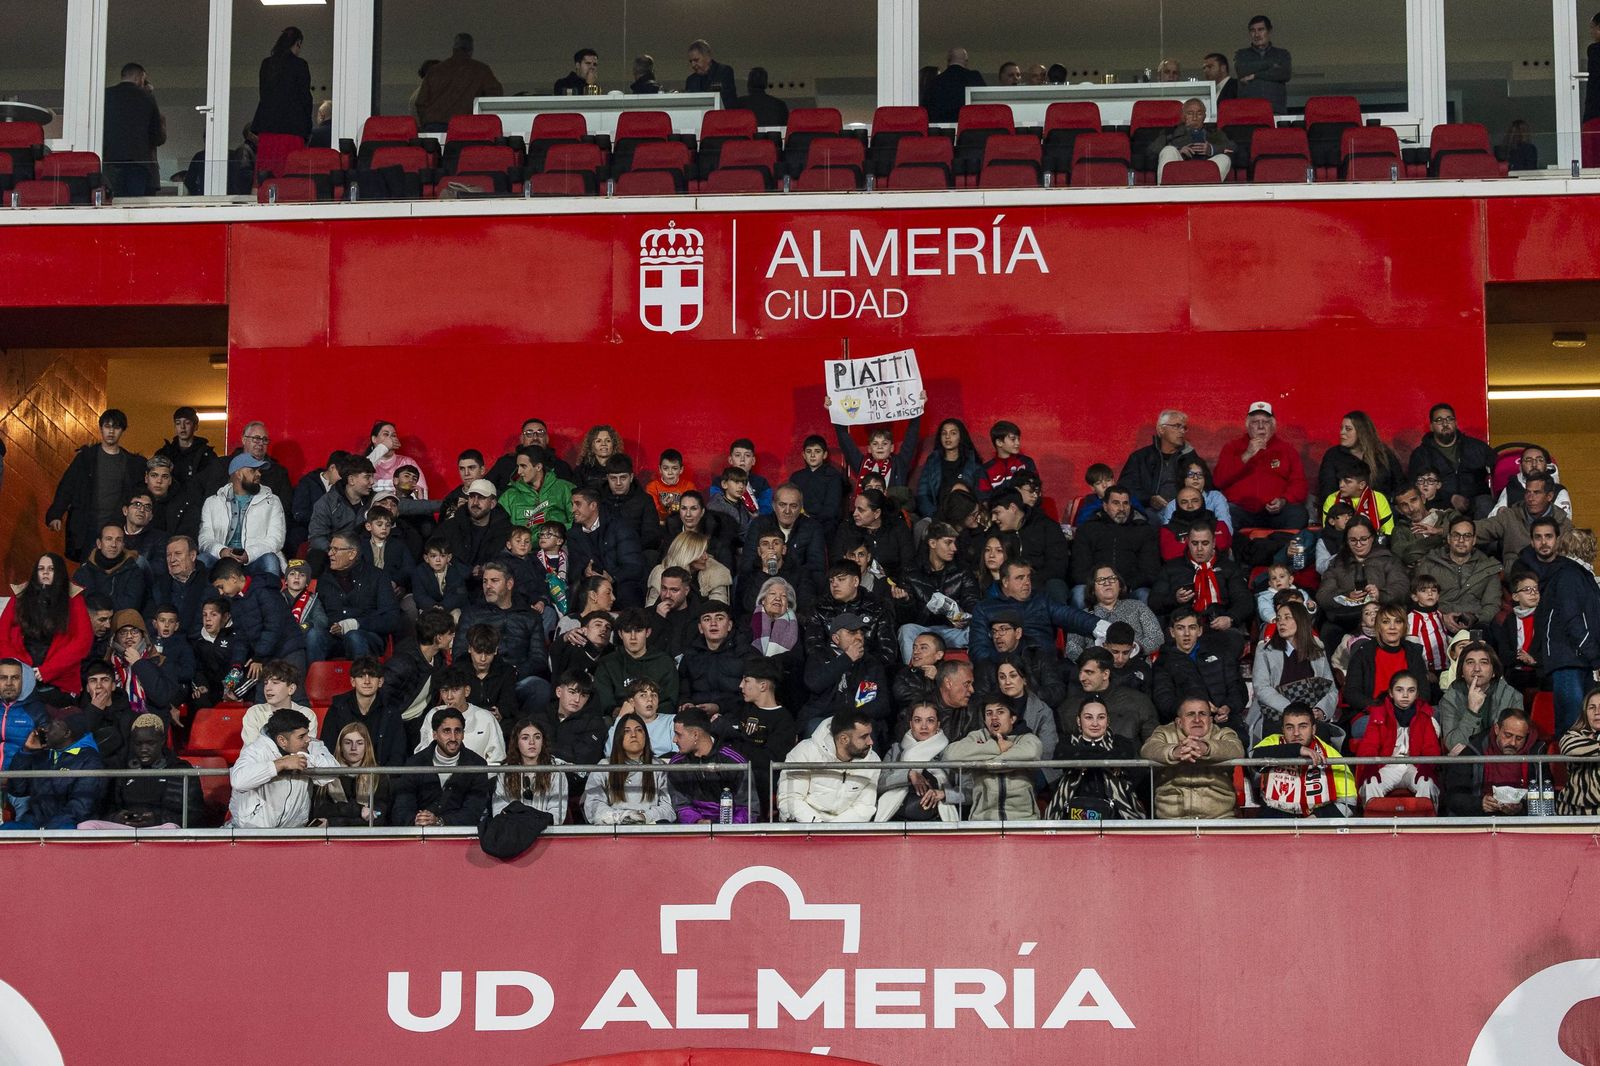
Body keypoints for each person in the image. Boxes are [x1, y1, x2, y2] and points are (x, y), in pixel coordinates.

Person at [47, 408, 148, 563]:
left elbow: (138, 493)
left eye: (116, 427)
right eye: (107, 426)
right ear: (101, 428)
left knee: (116, 570)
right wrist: (56, 513)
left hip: (118, 525)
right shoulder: (86, 458)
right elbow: (67, 485)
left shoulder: (132, 464)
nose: (111, 431)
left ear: (122, 431)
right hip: (87, 525)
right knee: (87, 572)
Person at [1532, 520, 1600, 735]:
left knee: (1583, 725)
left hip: (1576, 659)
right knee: (1573, 724)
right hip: (1569, 660)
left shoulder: (1572, 574)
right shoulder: (1569, 575)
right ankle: (1570, 769)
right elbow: (1573, 620)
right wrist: (1595, 656)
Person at [82, 712, 202, 829]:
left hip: (160, 827)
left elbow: (196, 815)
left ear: (162, 741)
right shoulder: (123, 769)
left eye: (150, 743)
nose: (144, 749)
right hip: (125, 827)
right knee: (87, 826)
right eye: (138, 744)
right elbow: (106, 809)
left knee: (169, 828)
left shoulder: (181, 769)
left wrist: (157, 819)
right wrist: (115, 818)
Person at [228, 707, 337, 829]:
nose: (307, 739)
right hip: (252, 834)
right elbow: (238, 781)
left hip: (293, 833)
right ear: (282, 740)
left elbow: (333, 771)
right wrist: (279, 765)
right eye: (301, 737)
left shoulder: (311, 745)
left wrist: (303, 760)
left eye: (307, 733)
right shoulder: (256, 750)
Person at [0, 554, 93, 695]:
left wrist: (48, 670)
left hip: (59, 679)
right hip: (20, 675)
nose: (45, 572)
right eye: (41, 568)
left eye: (51, 569)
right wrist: (18, 667)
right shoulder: (21, 595)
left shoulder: (73, 598)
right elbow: (2, 635)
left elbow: (83, 641)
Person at [0, 706, 106, 830]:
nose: (46, 728)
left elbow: (81, 808)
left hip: (67, 826)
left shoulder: (89, 760)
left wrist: (47, 830)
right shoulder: (43, 754)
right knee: (6, 830)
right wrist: (26, 752)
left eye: (54, 724)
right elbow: (18, 790)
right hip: (34, 823)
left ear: (67, 733)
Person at [1149, 608, 1248, 739]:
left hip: (1227, 723)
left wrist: (1228, 707)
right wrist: (1199, 709)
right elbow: (1164, 701)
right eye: (1180, 628)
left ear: (1200, 631)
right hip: (1187, 729)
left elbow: (1237, 688)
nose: (1186, 634)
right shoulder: (1163, 663)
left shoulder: (1220, 652)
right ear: (1172, 632)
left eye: (1192, 627)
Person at [1141, 695, 1244, 818]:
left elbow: (1237, 749)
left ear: (1211, 720)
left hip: (1219, 818)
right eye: (1190, 714)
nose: (1197, 719)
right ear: (1179, 722)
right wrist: (1174, 752)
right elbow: (1147, 749)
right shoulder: (1164, 732)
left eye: (1203, 714)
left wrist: (1206, 748)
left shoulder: (1223, 733)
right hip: (1170, 819)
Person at [1046, 696, 1146, 820]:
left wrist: (1081, 758)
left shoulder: (1121, 742)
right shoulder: (1066, 742)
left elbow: (1125, 754)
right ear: (1078, 721)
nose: (1095, 723)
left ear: (1108, 721)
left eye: (1101, 717)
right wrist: (1106, 759)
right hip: (1073, 807)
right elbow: (1059, 757)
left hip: (1115, 810)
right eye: (1088, 717)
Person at [390, 707, 495, 826]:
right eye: (446, 731)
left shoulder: (477, 764)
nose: (453, 738)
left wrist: (440, 821)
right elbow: (402, 806)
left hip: (459, 835)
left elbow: (473, 811)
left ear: (463, 734)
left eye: (458, 731)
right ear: (435, 734)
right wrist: (417, 820)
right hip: (418, 833)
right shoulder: (415, 763)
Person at [1249, 600, 1337, 741]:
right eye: (1278, 618)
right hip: (1277, 714)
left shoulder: (1317, 648)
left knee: (1323, 732)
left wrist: (1321, 710)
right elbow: (1261, 688)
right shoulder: (1264, 649)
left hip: (1310, 717)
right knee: (1276, 732)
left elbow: (1331, 689)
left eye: (1287, 617)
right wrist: (1293, 711)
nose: (1281, 622)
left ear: (1300, 620)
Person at [944, 696, 1042, 822]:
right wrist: (997, 748)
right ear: (985, 720)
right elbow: (950, 755)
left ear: (1013, 718)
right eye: (989, 713)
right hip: (982, 820)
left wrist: (982, 763)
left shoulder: (1026, 738)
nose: (994, 717)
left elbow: (1031, 753)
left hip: (1024, 819)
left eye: (1000, 712)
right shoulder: (977, 737)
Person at [1213, 402, 1309, 530]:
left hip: (1275, 513)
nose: (1260, 427)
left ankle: (1275, 547)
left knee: (1299, 514)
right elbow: (1219, 481)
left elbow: (1299, 484)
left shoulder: (1287, 450)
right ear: (1247, 425)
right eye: (1255, 422)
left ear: (1273, 426)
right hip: (1241, 510)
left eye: (1266, 422)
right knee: (1225, 514)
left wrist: (1284, 500)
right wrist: (1247, 454)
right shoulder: (1232, 447)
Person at [1353, 671, 1441, 807]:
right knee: (1371, 784)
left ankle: (1425, 826)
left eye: (1411, 690)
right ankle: (1376, 826)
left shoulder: (1424, 714)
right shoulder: (1379, 713)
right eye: (1399, 690)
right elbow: (1369, 745)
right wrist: (1370, 766)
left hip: (1415, 765)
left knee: (1427, 783)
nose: (1405, 695)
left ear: (1417, 694)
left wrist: (1427, 766)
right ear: (1391, 693)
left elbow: (1431, 747)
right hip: (1387, 765)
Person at [1251, 703, 1355, 818]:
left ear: (1313, 729)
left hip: (1316, 820)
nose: (1296, 733)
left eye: (1303, 726)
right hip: (1275, 814)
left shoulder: (1330, 754)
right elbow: (1254, 760)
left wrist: (1317, 818)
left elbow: (1349, 803)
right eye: (1289, 727)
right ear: (1283, 730)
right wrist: (1297, 749)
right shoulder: (1272, 741)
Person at [1315, 516, 1408, 642]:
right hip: (1347, 619)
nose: (1358, 544)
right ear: (1346, 541)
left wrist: (1380, 594)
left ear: (1373, 538)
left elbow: (1401, 587)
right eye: (1353, 540)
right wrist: (1346, 596)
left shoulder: (1388, 559)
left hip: (1384, 616)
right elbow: (1323, 595)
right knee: (1328, 631)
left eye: (1363, 539)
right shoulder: (1337, 563)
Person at [311, 532, 400, 662]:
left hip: (367, 636)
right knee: (313, 635)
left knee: (353, 636)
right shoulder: (324, 580)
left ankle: (362, 679)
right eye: (330, 549)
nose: (330, 553)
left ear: (352, 554)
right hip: (333, 638)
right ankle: (310, 681)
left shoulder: (378, 577)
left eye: (335, 549)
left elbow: (391, 619)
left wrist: (356, 624)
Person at [896, 522, 979, 661]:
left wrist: (963, 618)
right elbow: (905, 619)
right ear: (932, 543)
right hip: (923, 630)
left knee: (978, 631)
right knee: (906, 630)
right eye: (948, 543)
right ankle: (912, 677)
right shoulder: (910, 571)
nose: (954, 548)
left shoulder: (963, 570)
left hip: (953, 631)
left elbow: (973, 603)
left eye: (954, 543)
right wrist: (906, 602)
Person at [778, 711, 881, 823]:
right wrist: (819, 827)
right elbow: (790, 800)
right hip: (805, 827)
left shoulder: (872, 760)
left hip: (845, 830)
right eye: (864, 737)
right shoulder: (804, 752)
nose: (871, 742)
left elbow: (865, 807)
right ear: (844, 739)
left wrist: (835, 829)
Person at [198, 454, 286, 578]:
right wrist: (221, 551)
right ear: (238, 474)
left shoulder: (272, 501)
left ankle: (270, 597)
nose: (259, 474)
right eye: (253, 470)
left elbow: (276, 540)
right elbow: (204, 540)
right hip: (221, 561)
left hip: (255, 559)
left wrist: (249, 554)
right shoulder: (212, 502)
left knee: (270, 560)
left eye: (259, 470)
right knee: (202, 560)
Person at [1070, 485, 1160, 606]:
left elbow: (1150, 571)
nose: (1122, 508)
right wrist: (1101, 585)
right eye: (1116, 503)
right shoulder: (1087, 529)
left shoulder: (1144, 530)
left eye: (1125, 503)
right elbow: (1079, 570)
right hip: (1095, 588)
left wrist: (1124, 586)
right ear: (1105, 506)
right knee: (1079, 594)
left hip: (1129, 588)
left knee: (1145, 595)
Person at [1412, 518, 1503, 635]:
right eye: (1456, 535)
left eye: (1467, 536)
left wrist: (1475, 618)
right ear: (1449, 539)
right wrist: (1440, 618)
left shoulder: (1488, 567)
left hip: (1475, 625)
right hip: (1435, 624)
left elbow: (1492, 604)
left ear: (1474, 540)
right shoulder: (1429, 564)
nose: (1461, 540)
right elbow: (1418, 599)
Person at [875, 700, 960, 822]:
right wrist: (909, 775)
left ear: (938, 725)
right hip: (894, 820)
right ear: (911, 724)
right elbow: (879, 785)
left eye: (930, 721)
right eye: (917, 720)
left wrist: (944, 794)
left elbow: (967, 792)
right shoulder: (896, 750)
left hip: (938, 823)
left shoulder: (951, 752)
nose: (924, 726)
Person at [585, 713, 675, 825]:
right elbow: (593, 805)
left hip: (650, 829)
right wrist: (623, 817)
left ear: (646, 736)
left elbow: (668, 808)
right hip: (613, 830)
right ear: (619, 737)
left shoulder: (658, 766)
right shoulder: (604, 766)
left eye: (639, 730)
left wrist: (643, 817)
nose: (633, 735)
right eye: (627, 731)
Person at [1342, 603, 1429, 717]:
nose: (1392, 627)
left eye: (1398, 622)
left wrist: (1406, 710)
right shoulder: (1363, 653)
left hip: (1408, 712)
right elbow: (1352, 692)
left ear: (1404, 626)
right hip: (1371, 712)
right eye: (1386, 622)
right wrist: (1377, 707)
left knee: (1434, 715)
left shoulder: (1413, 653)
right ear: (1378, 626)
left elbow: (1424, 692)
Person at [1407, 404, 1494, 518]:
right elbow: (1416, 487)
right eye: (1439, 420)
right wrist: (1450, 498)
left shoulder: (1477, 447)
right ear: (1431, 426)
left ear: (1455, 423)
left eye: (1449, 419)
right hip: (1439, 505)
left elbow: (1499, 471)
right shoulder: (1421, 454)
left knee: (1485, 502)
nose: (1445, 423)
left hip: (1475, 504)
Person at [667, 708, 751, 823]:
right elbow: (681, 805)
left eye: (678, 734)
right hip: (693, 830)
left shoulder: (734, 762)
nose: (674, 740)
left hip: (731, 830)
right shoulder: (676, 764)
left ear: (695, 735)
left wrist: (728, 828)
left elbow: (747, 807)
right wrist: (697, 821)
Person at [415, 663, 507, 765]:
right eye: (445, 691)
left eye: (455, 690)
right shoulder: (433, 715)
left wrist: (481, 778)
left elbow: (497, 758)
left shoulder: (486, 718)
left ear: (467, 691)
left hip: (477, 778)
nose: (449, 697)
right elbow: (423, 752)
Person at [593, 608, 680, 715]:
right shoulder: (607, 663)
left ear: (648, 632)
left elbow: (670, 701)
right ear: (620, 634)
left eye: (638, 631)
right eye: (628, 631)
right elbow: (604, 702)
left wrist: (647, 714)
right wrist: (620, 713)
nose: (633, 637)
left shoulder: (664, 662)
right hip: (620, 719)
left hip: (657, 719)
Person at [252, 27, 313, 180]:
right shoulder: (300, 65)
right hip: (292, 128)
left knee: (264, 174)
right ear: (298, 43)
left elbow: (263, 94)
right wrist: (307, 127)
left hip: (268, 127)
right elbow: (305, 98)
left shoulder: (267, 64)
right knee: (290, 173)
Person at [1477, 474, 1571, 569]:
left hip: (1552, 579)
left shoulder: (1564, 524)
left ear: (1549, 496)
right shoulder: (1510, 516)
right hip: (1516, 578)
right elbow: (1480, 529)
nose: (1530, 498)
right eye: (1528, 492)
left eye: (1536, 493)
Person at [415, 33, 503, 131]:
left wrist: (427, 121)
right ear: (470, 51)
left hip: (434, 125)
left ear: (454, 49)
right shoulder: (481, 70)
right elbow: (495, 95)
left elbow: (421, 102)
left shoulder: (435, 70)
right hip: (465, 125)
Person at [102, 62, 166, 198]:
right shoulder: (147, 98)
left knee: (112, 201)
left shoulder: (105, 96)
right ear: (139, 77)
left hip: (110, 160)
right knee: (134, 203)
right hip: (139, 162)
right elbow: (156, 135)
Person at [310, 721, 390, 827]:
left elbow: (378, 819)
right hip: (333, 839)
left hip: (367, 838)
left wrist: (333, 822)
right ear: (340, 746)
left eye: (360, 743)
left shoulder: (378, 776)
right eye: (348, 742)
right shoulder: (326, 774)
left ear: (367, 746)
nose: (353, 748)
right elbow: (321, 812)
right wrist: (358, 811)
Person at [1316, 410, 1402, 502]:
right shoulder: (1333, 455)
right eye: (1341, 428)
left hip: (1382, 508)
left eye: (1348, 429)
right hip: (1346, 511)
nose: (1342, 432)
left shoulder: (1383, 453)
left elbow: (1400, 484)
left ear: (1362, 432)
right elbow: (1327, 492)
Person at [493, 717, 566, 823]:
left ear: (543, 741)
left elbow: (557, 813)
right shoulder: (505, 771)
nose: (532, 742)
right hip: (514, 832)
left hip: (547, 832)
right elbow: (499, 810)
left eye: (537, 737)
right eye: (525, 738)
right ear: (516, 742)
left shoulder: (556, 771)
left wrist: (534, 824)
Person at [915, 419, 984, 519]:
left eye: (953, 433)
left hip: (966, 517)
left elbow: (980, 496)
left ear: (961, 437)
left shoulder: (973, 464)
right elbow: (923, 494)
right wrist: (934, 516)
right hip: (936, 516)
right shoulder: (932, 462)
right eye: (944, 433)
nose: (947, 437)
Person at [71, 524, 148, 613]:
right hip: (89, 622)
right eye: (109, 539)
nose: (113, 545)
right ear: (99, 544)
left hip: (121, 623)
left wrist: (98, 607)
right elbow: (76, 604)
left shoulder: (134, 571)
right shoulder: (82, 573)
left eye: (118, 540)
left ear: (123, 545)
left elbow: (131, 606)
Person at [1155, 99, 1234, 181]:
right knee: (1168, 150)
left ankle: (1203, 190)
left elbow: (1233, 147)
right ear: (1183, 116)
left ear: (1204, 116)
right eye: (1190, 113)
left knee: (1224, 158)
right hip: (1179, 166)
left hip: (1205, 169)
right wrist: (1179, 150)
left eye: (1199, 114)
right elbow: (1152, 150)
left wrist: (1211, 149)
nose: (1195, 118)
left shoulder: (1214, 131)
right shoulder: (1171, 131)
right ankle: (1164, 191)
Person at [1492, 571, 1542, 692]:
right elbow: (1504, 652)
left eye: (1536, 589)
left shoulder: (1546, 618)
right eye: (1527, 589)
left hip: (1540, 672)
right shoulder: (1509, 621)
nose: (1533, 593)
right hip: (1515, 671)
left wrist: (1533, 660)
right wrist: (1520, 658)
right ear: (1515, 596)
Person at [1490, 445, 1572, 518]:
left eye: (1540, 460)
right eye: (1528, 460)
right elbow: (1492, 517)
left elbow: (1565, 522)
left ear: (1546, 466)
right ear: (1520, 467)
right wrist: (1500, 511)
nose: (1534, 464)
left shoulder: (1558, 490)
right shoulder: (1511, 488)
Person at [1233, 14, 1292, 114]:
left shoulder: (1282, 54)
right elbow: (1242, 71)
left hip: (1276, 111)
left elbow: (1284, 74)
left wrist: (1255, 75)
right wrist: (1270, 64)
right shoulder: (1241, 54)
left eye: (1261, 29)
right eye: (1252, 30)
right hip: (1248, 112)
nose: (1256, 34)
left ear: (1269, 31)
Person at [1557, 687, 1600, 816]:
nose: (1597, 712)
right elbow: (1569, 748)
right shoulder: (1573, 735)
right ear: (1585, 712)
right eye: (1592, 708)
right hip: (1575, 810)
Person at [924, 47, 986, 124]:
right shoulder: (974, 77)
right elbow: (984, 102)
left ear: (948, 61)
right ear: (966, 61)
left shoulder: (936, 81)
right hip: (967, 127)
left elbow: (927, 107)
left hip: (942, 129)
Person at [685, 39, 737, 107]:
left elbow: (728, 100)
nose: (693, 65)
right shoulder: (691, 80)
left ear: (708, 57)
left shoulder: (724, 72)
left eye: (696, 60)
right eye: (691, 61)